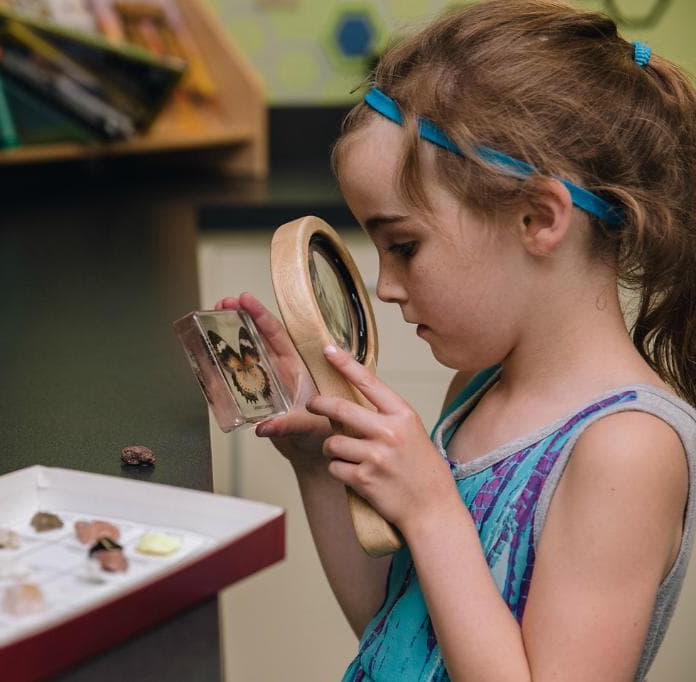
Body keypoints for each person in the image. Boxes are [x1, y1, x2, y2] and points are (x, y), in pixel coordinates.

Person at [217, 1, 696, 679]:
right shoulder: (474, 392)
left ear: (538, 216)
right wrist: (318, 463)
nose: (384, 286)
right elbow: (405, 639)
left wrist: (433, 510)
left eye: (404, 245)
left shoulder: (624, 451)